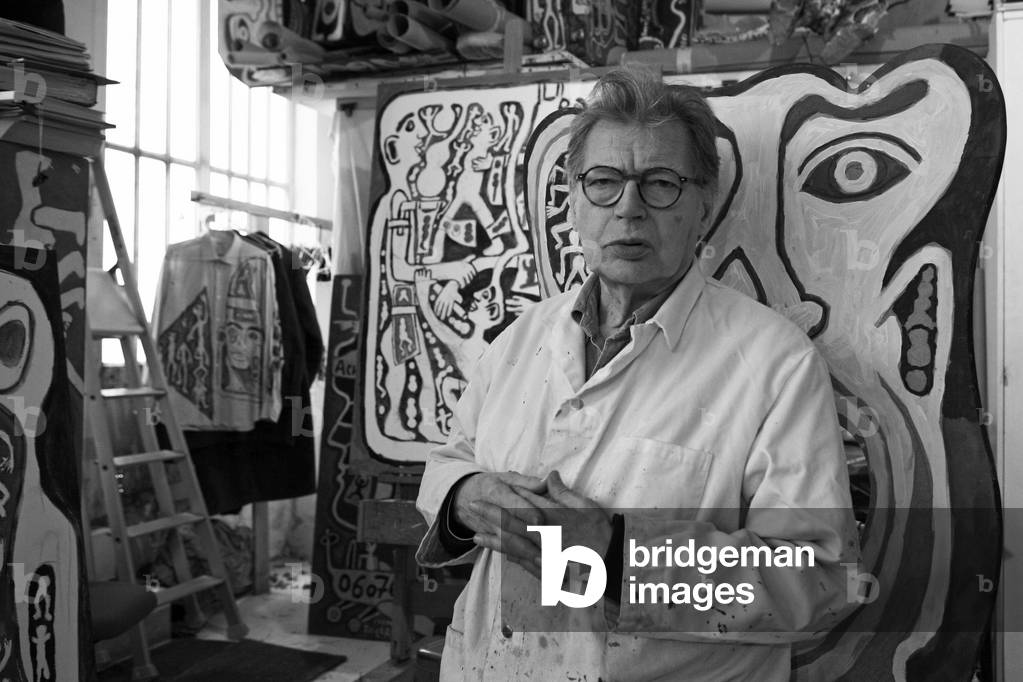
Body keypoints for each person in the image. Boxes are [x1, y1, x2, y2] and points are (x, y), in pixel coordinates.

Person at [415, 67, 860, 681]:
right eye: (603, 182)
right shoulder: (522, 337)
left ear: (703, 207)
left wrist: (619, 554)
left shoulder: (776, 364)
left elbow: (819, 581)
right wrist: (464, 498)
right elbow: (450, 459)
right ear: (574, 203)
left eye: (661, 184)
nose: (628, 208)